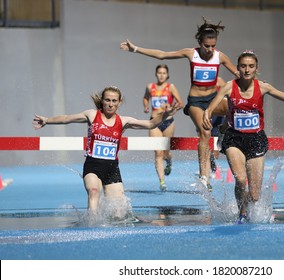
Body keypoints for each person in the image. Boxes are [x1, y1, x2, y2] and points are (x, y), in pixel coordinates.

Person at [202, 50, 284, 223]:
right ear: (238, 68)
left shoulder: (263, 87)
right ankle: (242, 212)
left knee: (255, 195)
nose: (247, 70)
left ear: (256, 69)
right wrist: (207, 114)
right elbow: (212, 106)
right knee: (240, 179)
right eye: (243, 66)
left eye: (251, 66)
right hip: (234, 139)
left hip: (256, 140)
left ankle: (246, 204)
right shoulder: (229, 87)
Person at [120, 17, 240, 191]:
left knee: (236, 106)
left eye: (213, 46)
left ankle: (222, 132)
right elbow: (163, 54)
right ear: (200, 42)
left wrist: (254, 81)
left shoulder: (220, 57)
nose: (210, 50)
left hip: (213, 100)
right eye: (207, 46)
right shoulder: (191, 53)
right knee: (205, 132)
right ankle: (204, 177)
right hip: (196, 103)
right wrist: (136, 49)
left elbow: (238, 73)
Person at [33, 86, 180, 222]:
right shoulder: (91, 115)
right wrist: (47, 120)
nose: (110, 104)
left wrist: (166, 113)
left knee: (119, 214)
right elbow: (66, 118)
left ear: (119, 103)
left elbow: (149, 124)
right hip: (92, 166)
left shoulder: (123, 121)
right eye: (107, 100)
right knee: (94, 191)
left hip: (112, 169)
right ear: (102, 101)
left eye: (114, 101)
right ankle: (92, 225)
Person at [143, 64, 184, 191]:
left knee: (166, 152)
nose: (161, 75)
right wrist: (146, 106)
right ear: (156, 74)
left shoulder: (170, 87)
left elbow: (181, 103)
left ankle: (169, 161)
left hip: (168, 122)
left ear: (167, 75)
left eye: (164, 73)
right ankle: (162, 182)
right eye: (159, 72)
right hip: (154, 122)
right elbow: (145, 98)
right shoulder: (150, 87)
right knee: (158, 152)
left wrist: (172, 109)